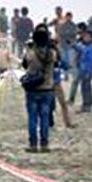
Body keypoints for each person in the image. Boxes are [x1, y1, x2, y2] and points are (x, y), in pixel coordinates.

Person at [22, 24, 58, 153]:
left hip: (32, 89)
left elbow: (24, 65)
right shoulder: (52, 53)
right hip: (47, 89)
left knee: (32, 117)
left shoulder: (30, 54)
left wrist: (29, 48)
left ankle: (33, 144)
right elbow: (57, 63)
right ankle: (44, 143)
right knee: (44, 117)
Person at [72, 29, 92, 112]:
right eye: (84, 37)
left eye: (88, 37)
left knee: (87, 87)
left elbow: (91, 60)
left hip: (88, 70)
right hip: (82, 69)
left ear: (91, 37)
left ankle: (87, 105)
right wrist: (72, 44)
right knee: (83, 87)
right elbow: (78, 47)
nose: (86, 38)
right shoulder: (83, 45)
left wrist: (89, 72)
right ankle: (85, 104)